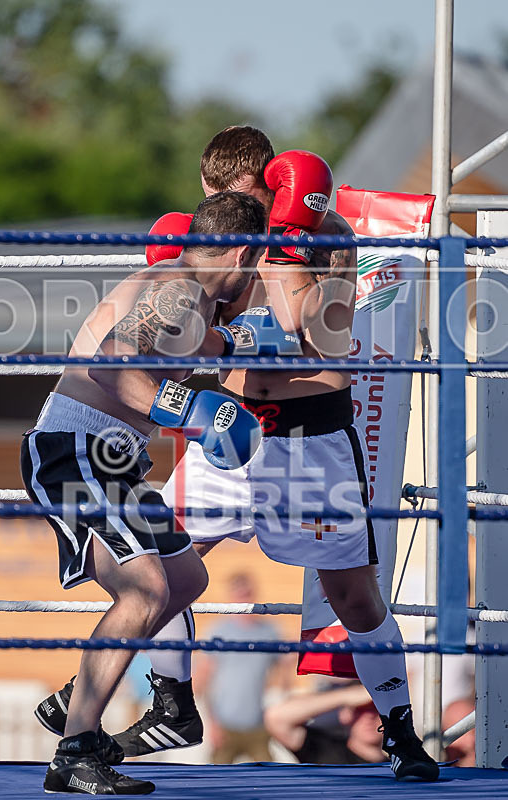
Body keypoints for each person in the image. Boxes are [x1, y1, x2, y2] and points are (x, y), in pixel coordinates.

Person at [37, 127, 439, 782]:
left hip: (310, 440)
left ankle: (402, 734)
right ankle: (166, 701)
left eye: (242, 202)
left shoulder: (325, 231)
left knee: (355, 600)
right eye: (214, 203)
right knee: (159, 563)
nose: (228, 220)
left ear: (271, 185)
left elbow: (317, 333)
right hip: (227, 429)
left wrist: (286, 245)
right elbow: (178, 338)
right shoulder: (218, 239)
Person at [23, 190, 266, 794]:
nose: (256, 274)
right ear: (241, 250)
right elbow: (113, 365)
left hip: (111, 463)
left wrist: (249, 341)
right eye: (256, 261)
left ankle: (76, 700)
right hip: (74, 454)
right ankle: (75, 747)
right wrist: (194, 410)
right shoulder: (177, 289)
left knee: (185, 582)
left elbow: (205, 344)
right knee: (146, 588)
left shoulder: (194, 303)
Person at [194, 572, 282, 764]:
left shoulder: (269, 631)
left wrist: (275, 713)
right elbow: (204, 678)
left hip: (258, 724)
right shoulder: (219, 630)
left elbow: (281, 676)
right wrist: (211, 723)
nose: (245, 601)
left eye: (248, 594)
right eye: (240, 595)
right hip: (225, 724)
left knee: (270, 780)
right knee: (215, 781)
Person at [264, 681, 384, 765]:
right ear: (344, 715)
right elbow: (276, 718)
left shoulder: (398, 765)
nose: (369, 716)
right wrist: (345, 696)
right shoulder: (324, 748)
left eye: (375, 709)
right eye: (359, 709)